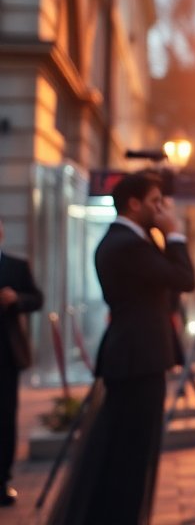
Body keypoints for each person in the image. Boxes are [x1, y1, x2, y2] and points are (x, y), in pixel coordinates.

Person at [48, 171, 195, 524]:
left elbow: (167, 285)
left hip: (136, 357)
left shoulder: (129, 242)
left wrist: (162, 235)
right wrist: (174, 233)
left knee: (128, 451)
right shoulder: (126, 245)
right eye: (155, 203)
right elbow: (183, 279)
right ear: (134, 204)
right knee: (131, 454)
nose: (162, 209)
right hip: (137, 359)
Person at [0, 217, 42, 507]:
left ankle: (2, 479)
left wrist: (16, 300)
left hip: (5, 354)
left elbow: (37, 299)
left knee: (4, 417)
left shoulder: (15, 266)